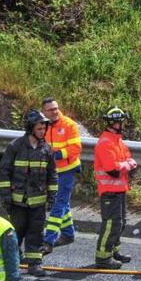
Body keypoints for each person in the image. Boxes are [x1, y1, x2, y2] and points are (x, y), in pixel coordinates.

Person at [0, 109, 57, 277]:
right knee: (16, 232)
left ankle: (35, 264)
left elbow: (52, 175)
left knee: (36, 233)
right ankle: (12, 263)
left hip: (38, 202)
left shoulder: (47, 149)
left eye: (44, 128)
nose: (43, 131)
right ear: (30, 128)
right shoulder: (15, 146)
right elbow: (3, 173)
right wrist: (6, 198)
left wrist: (52, 196)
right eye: (39, 128)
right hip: (18, 202)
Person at [93, 106, 137, 269]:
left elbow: (129, 160)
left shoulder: (118, 141)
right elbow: (112, 169)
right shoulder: (105, 143)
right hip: (109, 191)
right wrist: (127, 165)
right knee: (111, 223)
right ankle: (103, 257)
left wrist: (126, 164)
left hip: (120, 190)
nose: (122, 124)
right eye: (121, 121)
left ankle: (114, 251)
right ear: (114, 123)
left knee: (120, 223)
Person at [41, 97, 82, 254]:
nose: (55, 111)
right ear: (44, 112)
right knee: (62, 203)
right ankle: (68, 234)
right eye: (51, 109)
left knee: (57, 204)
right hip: (52, 171)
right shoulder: (42, 126)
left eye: (56, 108)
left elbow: (76, 149)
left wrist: (56, 155)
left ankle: (48, 240)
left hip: (67, 170)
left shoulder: (69, 125)